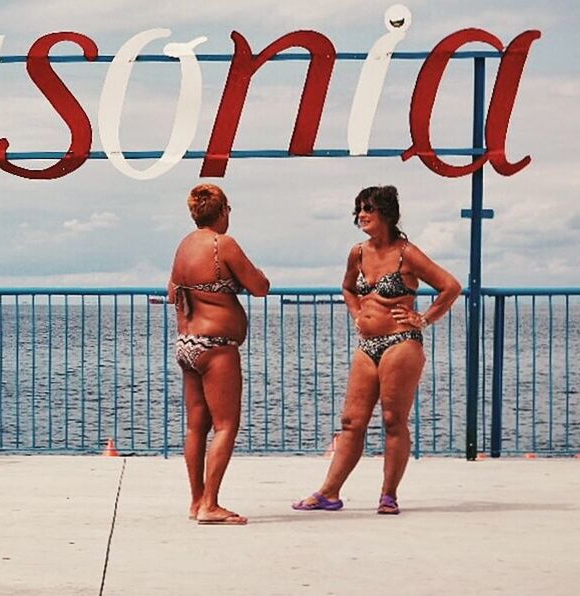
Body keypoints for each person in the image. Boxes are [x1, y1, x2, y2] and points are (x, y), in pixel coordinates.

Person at [292, 185, 461, 515]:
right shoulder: (357, 252)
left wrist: (422, 319)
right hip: (367, 345)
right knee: (352, 421)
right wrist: (357, 313)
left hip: (401, 343)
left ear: (386, 213)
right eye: (358, 210)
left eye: (368, 208)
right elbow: (347, 287)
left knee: (392, 419)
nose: (362, 215)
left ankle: (388, 495)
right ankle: (329, 493)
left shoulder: (406, 253)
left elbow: (450, 287)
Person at [168, 183, 270, 525]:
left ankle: (197, 501)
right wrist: (237, 284)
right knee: (226, 425)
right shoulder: (222, 245)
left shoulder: (185, 245)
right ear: (223, 210)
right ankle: (211, 504)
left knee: (197, 426)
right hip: (216, 347)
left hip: (187, 344)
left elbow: (172, 293)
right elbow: (260, 287)